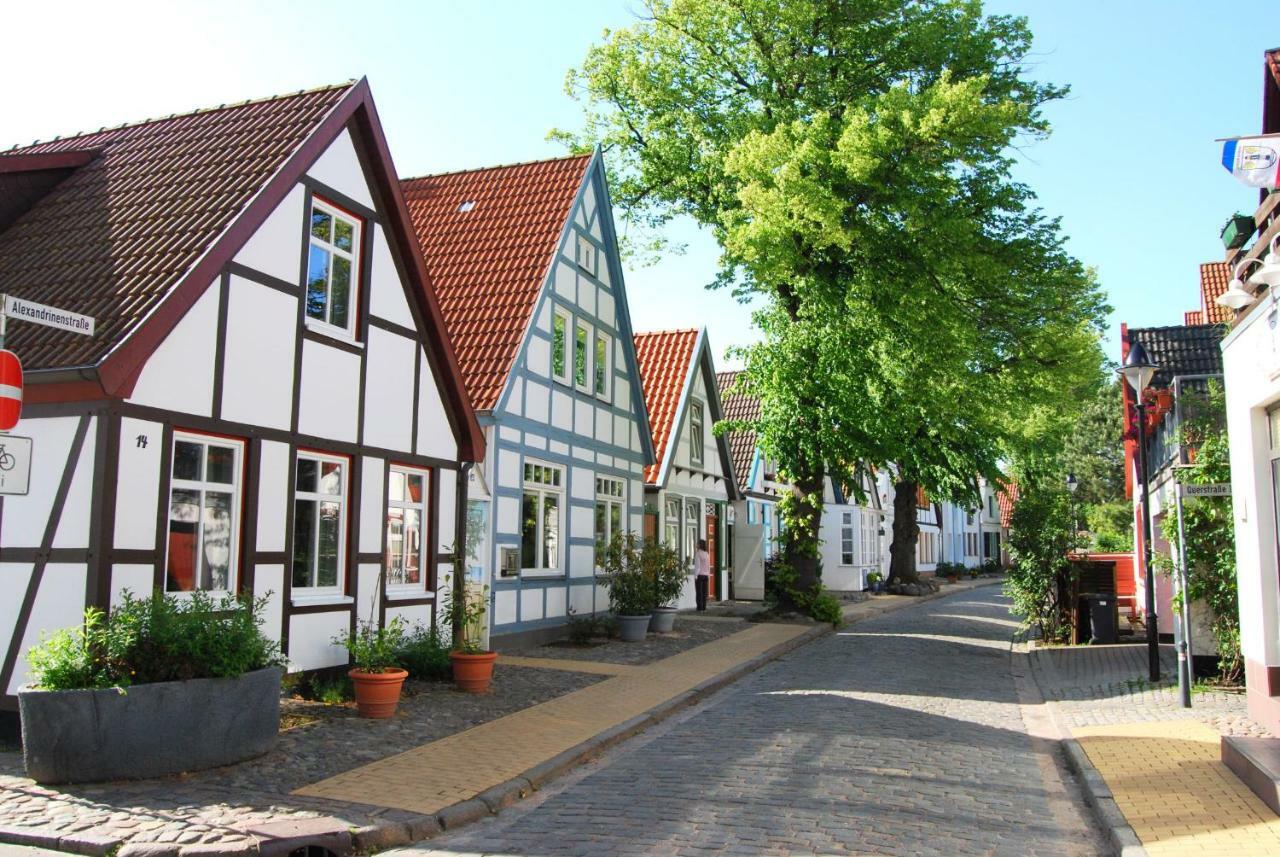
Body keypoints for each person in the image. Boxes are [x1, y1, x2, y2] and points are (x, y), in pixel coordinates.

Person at [694, 538, 710, 611]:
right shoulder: (706, 554)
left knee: (699, 592)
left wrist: (695, 576)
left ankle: (699, 607)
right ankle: (704, 607)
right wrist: (708, 574)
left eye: (697, 544)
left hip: (699, 575)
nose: (696, 545)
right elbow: (708, 565)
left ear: (700, 545)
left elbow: (698, 566)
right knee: (704, 593)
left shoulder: (698, 553)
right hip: (706, 575)